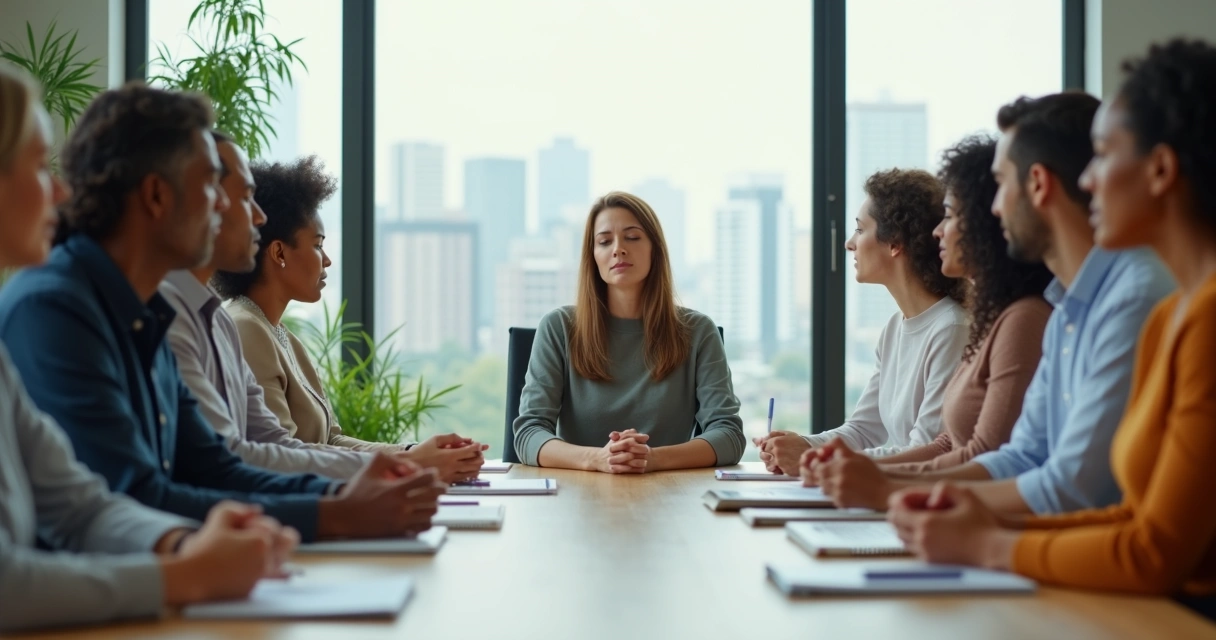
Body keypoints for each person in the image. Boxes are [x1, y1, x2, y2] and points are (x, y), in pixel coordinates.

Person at [0, 82, 445, 544]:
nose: (231, 208)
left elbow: (212, 465)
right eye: (211, 184)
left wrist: (342, 503)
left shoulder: (144, 310)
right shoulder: (55, 307)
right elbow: (134, 496)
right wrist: (337, 514)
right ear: (156, 196)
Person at [888, 39, 1216, 618]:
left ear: (1161, 170)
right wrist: (953, 510)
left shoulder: (1171, 308)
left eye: (1105, 156)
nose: (1086, 179)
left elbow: (1146, 545)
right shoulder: (1166, 312)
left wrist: (984, 541)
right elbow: (1124, 510)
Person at [0, 64, 295, 632]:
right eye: (39, 165)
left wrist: (185, 544)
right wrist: (186, 574)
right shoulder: (49, 306)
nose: (60, 192)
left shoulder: (141, 313)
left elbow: (82, 507)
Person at [807, 91, 1174, 515]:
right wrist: (885, 483)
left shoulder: (1119, 300)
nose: (994, 209)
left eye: (999, 185)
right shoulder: (1065, 310)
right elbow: (1019, 457)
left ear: (1038, 184)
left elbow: (1071, 489)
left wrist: (894, 492)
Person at [162, 134, 481, 482]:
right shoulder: (242, 326)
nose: (327, 260)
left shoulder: (272, 333)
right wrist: (410, 465)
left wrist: (409, 455)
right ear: (279, 253)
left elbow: (326, 439)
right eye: (317, 246)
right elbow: (269, 453)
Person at [811, 136, 1054, 508]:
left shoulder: (971, 325)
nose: (939, 230)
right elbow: (945, 443)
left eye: (952, 216)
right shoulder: (912, 326)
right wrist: (828, 458)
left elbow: (979, 453)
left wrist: (871, 479)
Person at [512, 191, 745, 472]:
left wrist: (652, 458)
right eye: (604, 241)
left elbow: (729, 435)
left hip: (672, 498)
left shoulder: (698, 332)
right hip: (577, 498)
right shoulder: (559, 327)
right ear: (593, 256)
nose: (618, 249)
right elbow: (528, 434)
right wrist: (597, 459)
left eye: (632, 237)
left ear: (654, 249)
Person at [758, 169, 968, 473]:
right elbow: (863, 431)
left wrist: (813, 460)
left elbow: (924, 452)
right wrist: (803, 445)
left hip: (912, 495)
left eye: (859, 229)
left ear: (895, 242)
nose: (848, 243)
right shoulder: (895, 328)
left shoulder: (951, 329)